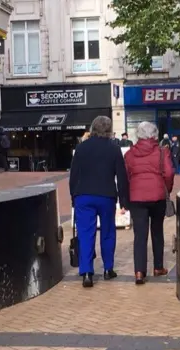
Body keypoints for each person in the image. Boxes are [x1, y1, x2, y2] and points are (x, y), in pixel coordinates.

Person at [69, 116, 129, 288]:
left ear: (93, 128)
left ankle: (87, 272)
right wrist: (124, 199)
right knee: (108, 232)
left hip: (84, 196)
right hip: (106, 195)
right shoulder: (114, 148)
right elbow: (122, 176)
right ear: (109, 130)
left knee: (86, 234)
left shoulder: (81, 148)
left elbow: (73, 175)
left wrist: (73, 196)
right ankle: (108, 269)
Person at [124, 122, 175, 285]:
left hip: (136, 198)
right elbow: (169, 172)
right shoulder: (162, 152)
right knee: (157, 231)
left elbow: (126, 177)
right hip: (157, 196)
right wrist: (166, 188)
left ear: (138, 135)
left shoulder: (130, 154)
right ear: (155, 135)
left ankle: (139, 272)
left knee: (139, 235)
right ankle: (158, 267)